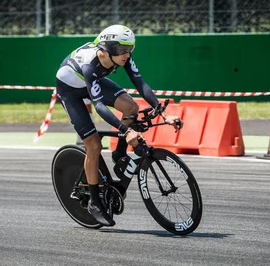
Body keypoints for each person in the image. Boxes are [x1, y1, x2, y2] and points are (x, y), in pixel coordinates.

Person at [55, 24, 182, 226]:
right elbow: (98, 106)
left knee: (131, 107)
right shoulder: (90, 64)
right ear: (107, 49)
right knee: (94, 145)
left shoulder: (123, 56)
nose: (127, 54)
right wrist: (127, 130)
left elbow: (140, 84)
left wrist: (163, 113)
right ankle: (94, 203)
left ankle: (119, 154)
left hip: (92, 83)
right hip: (70, 91)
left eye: (130, 49)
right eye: (122, 50)